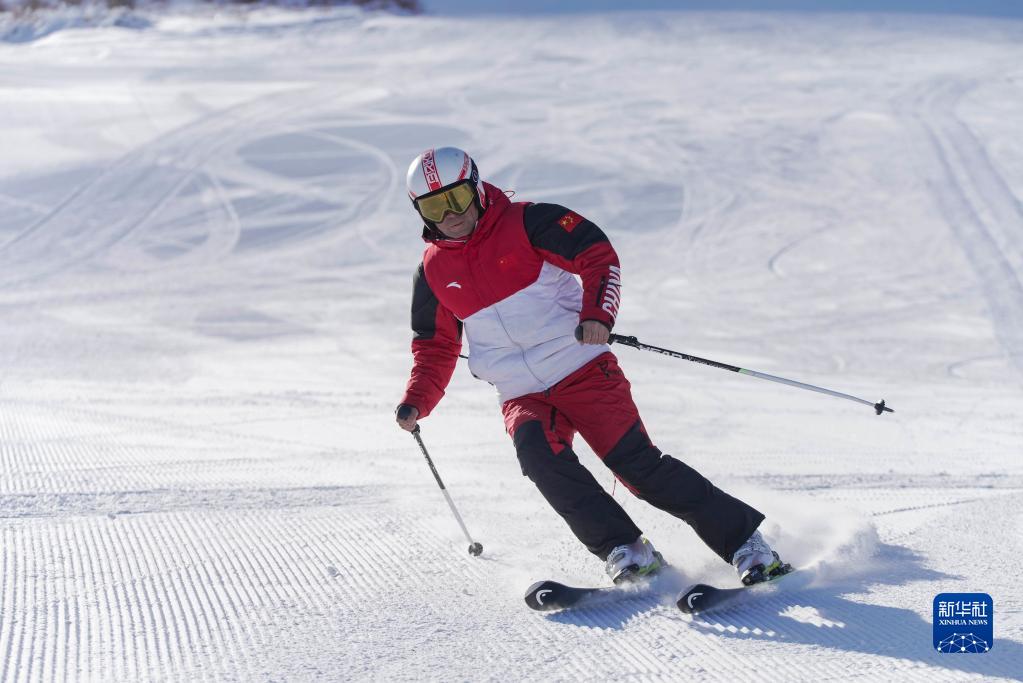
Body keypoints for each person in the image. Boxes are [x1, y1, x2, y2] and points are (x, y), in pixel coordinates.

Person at [395, 146, 786, 586]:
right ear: (420, 211)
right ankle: (628, 550)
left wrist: (598, 315)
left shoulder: (529, 221)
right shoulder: (431, 272)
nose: (451, 215)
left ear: (477, 188)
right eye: (435, 206)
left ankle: (746, 543)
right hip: (519, 391)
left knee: (637, 467)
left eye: (458, 198)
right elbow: (434, 345)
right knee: (542, 461)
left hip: (581, 368)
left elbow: (596, 254)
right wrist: (416, 400)